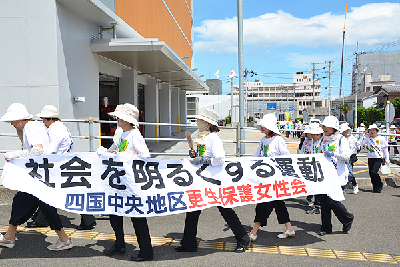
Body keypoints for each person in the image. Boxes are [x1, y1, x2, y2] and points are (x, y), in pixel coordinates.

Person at [175, 108, 250, 253]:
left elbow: (220, 158)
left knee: (225, 209)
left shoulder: (213, 137)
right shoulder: (202, 136)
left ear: (208, 123)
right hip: (202, 179)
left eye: (200, 120)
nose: (197, 122)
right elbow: (203, 156)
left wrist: (201, 159)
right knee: (193, 209)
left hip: (214, 181)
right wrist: (195, 155)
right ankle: (189, 242)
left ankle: (243, 238)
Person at [0, 103, 73, 250]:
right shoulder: (34, 126)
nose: (12, 124)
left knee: (29, 204)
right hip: (40, 174)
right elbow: (29, 145)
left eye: (13, 121)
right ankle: (9, 237)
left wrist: (14, 154)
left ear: (20, 119)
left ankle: (10, 237)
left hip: (36, 175)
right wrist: (20, 130)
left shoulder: (30, 127)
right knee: (38, 205)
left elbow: (37, 150)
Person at [25, 105, 97, 230]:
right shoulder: (61, 128)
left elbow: (49, 150)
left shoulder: (55, 131)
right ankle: (42, 219)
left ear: (50, 119)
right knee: (60, 192)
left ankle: (87, 220)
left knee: (51, 192)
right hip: (64, 164)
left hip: (57, 165)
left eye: (44, 119)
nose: (43, 122)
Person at [100, 103, 153, 262]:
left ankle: (146, 251)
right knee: (114, 213)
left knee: (137, 217)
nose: (116, 119)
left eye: (119, 117)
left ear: (127, 119)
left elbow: (146, 157)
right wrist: (107, 153)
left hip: (131, 184)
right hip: (119, 181)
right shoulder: (122, 133)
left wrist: (126, 158)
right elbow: (113, 150)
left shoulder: (135, 135)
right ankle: (119, 244)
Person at [248, 114, 295, 241]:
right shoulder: (263, 140)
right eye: (262, 125)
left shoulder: (278, 140)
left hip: (274, 178)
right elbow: (257, 154)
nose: (262, 127)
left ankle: (254, 231)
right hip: (265, 177)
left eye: (264, 126)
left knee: (263, 204)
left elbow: (286, 156)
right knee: (278, 204)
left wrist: (273, 161)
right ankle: (289, 228)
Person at [316, 116, 354, 236]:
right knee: (324, 202)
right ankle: (326, 227)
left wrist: (334, 154)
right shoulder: (323, 140)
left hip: (338, 176)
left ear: (334, 128)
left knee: (332, 201)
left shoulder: (341, 139)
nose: (324, 128)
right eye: (323, 126)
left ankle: (347, 218)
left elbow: (346, 156)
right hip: (325, 176)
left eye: (326, 126)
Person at [362, 124, 390, 193]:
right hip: (370, 157)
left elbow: (385, 149)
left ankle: (379, 184)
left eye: (373, 130)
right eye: (370, 130)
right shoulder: (368, 138)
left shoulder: (381, 138)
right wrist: (363, 135)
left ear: (376, 131)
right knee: (371, 173)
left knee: (374, 172)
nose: (372, 132)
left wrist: (387, 159)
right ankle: (375, 187)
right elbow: (361, 143)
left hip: (378, 157)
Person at [304, 123, 323, 214]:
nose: (310, 135)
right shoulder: (313, 142)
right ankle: (316, 206)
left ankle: (318, 206)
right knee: (315, 187)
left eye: (312, 134)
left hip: (320, 168)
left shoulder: (323, 142)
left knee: (319, 189)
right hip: (313, 166)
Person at [340, 123, 359, 194]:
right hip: (340, 158)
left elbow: (357, 146)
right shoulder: (339, 138)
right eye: (343, 131)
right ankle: (343, 188)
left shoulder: (352, 138)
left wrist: (354, 154)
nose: (345, 132)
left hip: (349, 158)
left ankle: (355, 184)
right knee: (341, 174)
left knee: (349, 174)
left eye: (346, 131)